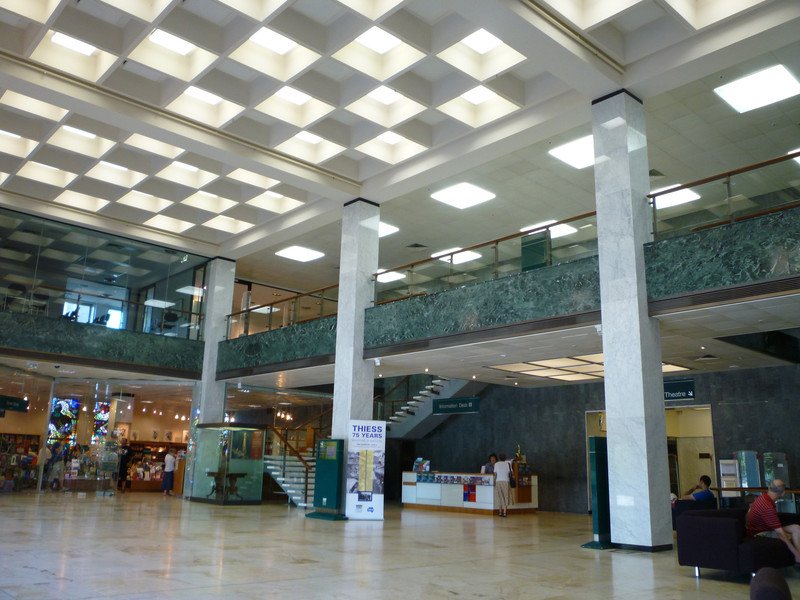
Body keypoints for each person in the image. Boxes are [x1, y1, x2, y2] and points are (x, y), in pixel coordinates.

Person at [746, 479, 800, 566]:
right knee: (793, 535)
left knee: (796, 528)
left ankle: (798, 557)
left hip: (765, 529)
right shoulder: (766, 506)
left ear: (769, 487)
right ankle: (797, 557)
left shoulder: (763, 498)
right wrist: (795, 552)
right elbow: (780, 533)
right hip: (760, 533)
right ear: (783, 493)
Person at [493, 452, 512, 517]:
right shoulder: (508, 464)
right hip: (506, 481)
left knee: (499, 496)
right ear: (505, 458)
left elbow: (495, 474)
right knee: (506, 496)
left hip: (498, 481)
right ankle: (505, 512)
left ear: (499, 458)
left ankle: (500, 512)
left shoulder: (496, 464)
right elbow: (511, 473)